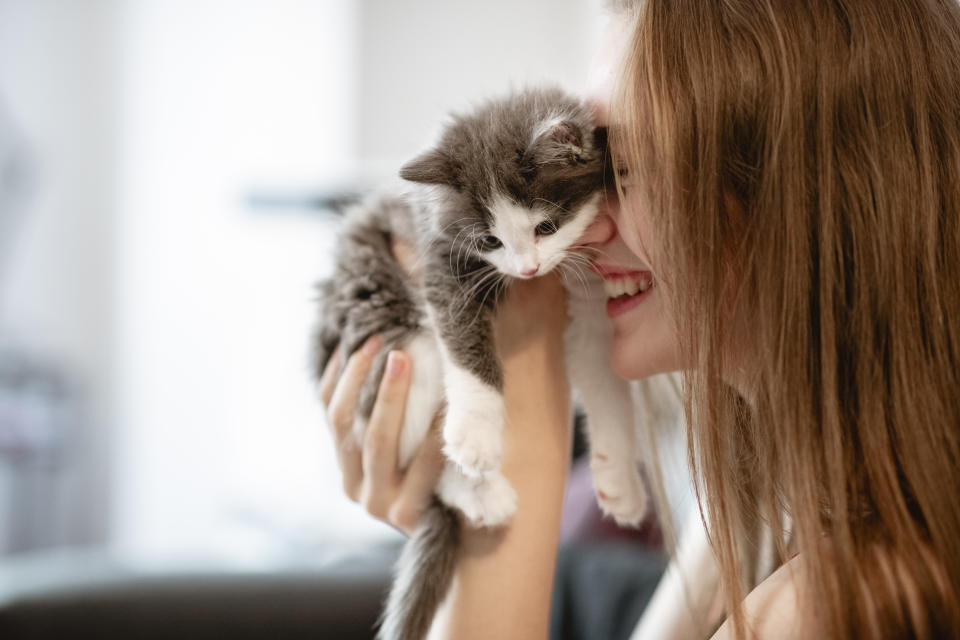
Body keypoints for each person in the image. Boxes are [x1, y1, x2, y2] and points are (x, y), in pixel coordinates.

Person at [319, 1, 960, 638]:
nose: (590, 227)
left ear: (798, 194)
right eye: (597, 170)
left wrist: (524, 424)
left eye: (625, 169)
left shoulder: (835, 605)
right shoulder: (760, 525)